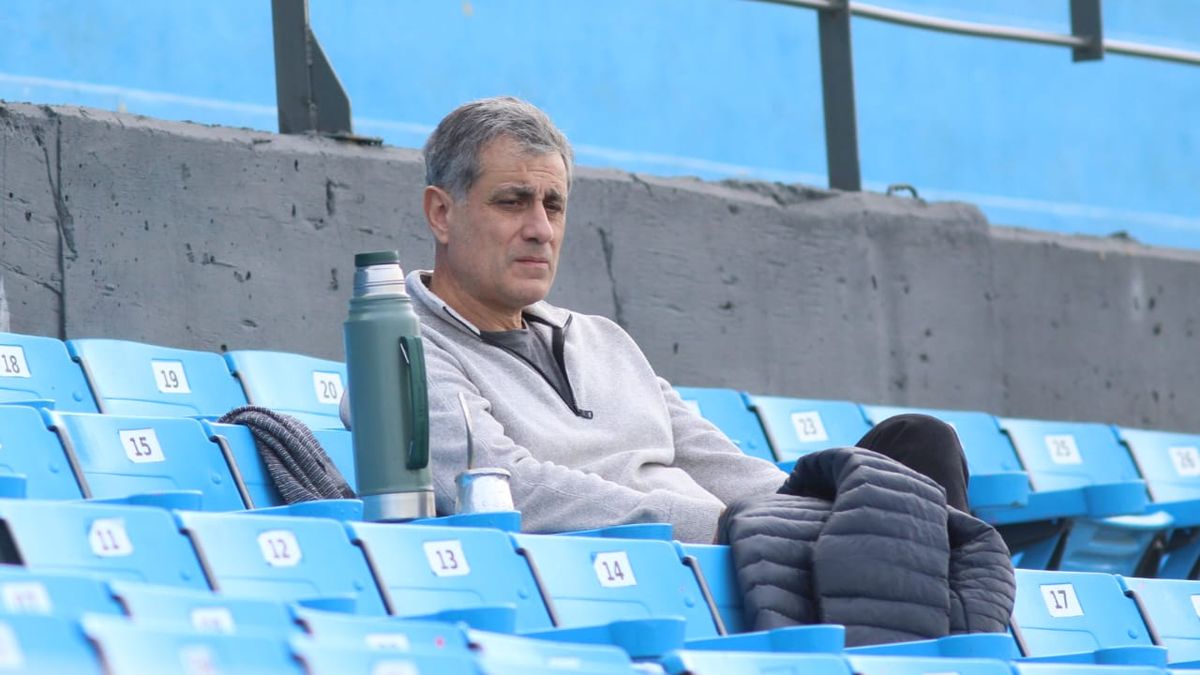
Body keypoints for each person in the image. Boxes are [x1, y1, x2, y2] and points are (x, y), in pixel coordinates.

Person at [366, 96, 970, 544]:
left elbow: (714, 460)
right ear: (441, 213)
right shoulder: (398, 355)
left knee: (916, 447)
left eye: (553, 205)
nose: (541, 229)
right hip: (647, 573)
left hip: (748, 550)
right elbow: (507, 490)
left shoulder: (603, 339)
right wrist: (730, 527)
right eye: (512, 202)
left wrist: (800, 513)